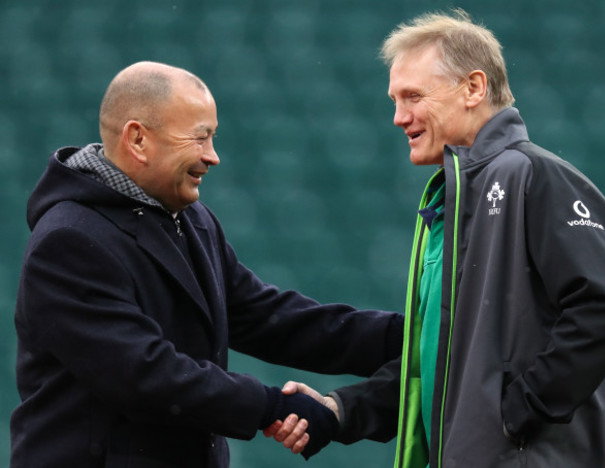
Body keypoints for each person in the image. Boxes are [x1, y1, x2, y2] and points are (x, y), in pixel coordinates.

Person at [273, 9, 605, 468]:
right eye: (394, 100)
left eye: (413, 97)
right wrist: (341, 410)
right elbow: (443, 365)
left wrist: (516, 413)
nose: (398, 117)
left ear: (474, 88)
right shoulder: (450, 200)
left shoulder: (536, 176)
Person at [10, 61, 404, 468]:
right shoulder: (69, 241)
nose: (212, 156)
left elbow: (267, 317)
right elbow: (144, 373)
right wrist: (269, 406)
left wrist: (404, 338)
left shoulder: (190, 219)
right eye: (199, 138)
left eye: (212, 137)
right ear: (138, 139)